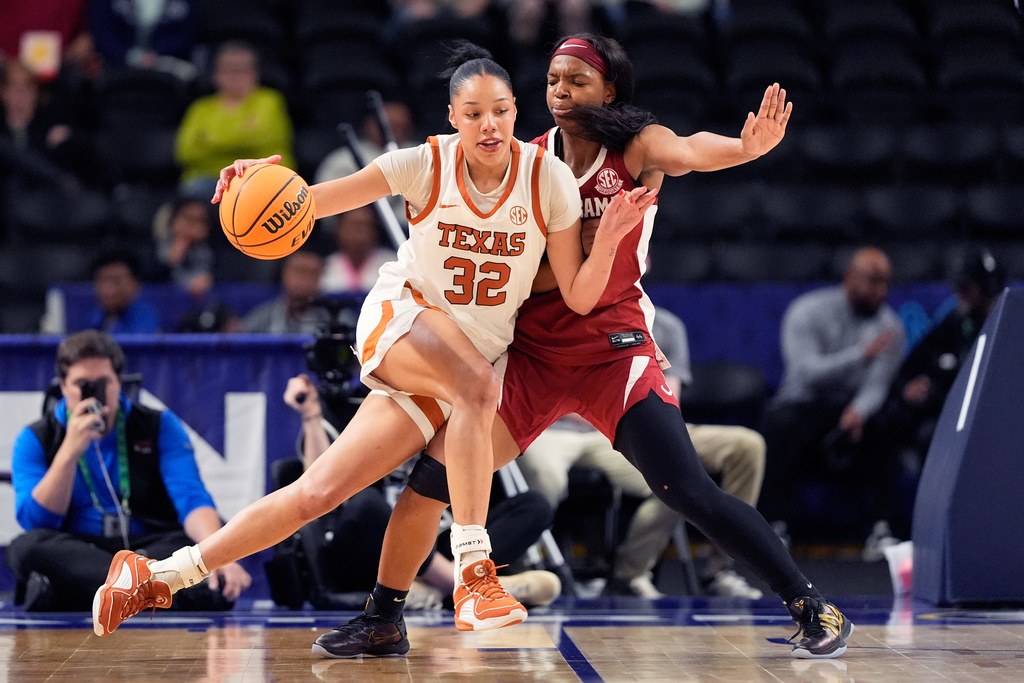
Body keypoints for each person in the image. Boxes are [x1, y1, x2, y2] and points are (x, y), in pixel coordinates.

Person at [320, 34, 852, 661]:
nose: (561, 91)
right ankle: (383, 618)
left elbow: (690, 151)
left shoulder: (637, 146)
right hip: (534, 353)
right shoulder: (531, 160)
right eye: (552, 80)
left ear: (609, 90)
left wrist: (743, 147)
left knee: (683, 487)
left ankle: (810, 603)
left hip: (611, 348)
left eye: (577, 79)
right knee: (429, 485)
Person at [91, 41, 649, 637]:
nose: (489, 125)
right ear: (452, 117)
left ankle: (156, 577)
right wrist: (254, 180)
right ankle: (475, 574)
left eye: (502, 110)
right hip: (406, 320)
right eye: (474, 112)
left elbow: (580, 296)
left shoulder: (550, 178)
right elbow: (308, 202)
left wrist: (611, 237)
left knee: (318, 493)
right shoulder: (421, 164)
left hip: (465, 355)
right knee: (477, 387)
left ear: (516, 111)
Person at [518, 306, 765, 599]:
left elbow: (666, 396)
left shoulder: (664, 324)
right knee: (542, 478)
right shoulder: (551, 310)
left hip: (621, 423)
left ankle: (638, 573)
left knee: (683, 473)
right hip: (552, 427)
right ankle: (523, 572)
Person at [6, 330, 251, 611]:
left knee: (199, 554)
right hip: (81, 547)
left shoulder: (157, 425)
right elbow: (36, 520)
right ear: (62, 386)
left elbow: (192, 498)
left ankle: (83, 594)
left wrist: (218, 555)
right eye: (83, 385)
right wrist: (69, 451)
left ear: (118, 383)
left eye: (103, 383)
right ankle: (147, 591)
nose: (94, 393)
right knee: (26, 548)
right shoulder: (36, 437)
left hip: (147, 543)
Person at [279, 373, 561, 610]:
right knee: (367, 504)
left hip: (435, 536)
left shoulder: (444, 400)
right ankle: (460, 585)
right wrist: (312, 414)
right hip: (370, 543)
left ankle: (437, 586)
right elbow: (316, 481)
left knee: (535, 506)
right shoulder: (356, 404)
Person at [757, 247, 906, 543]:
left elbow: (878, 384)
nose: (881, 291)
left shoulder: (890, 327)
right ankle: (775, 524)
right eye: (873, 281)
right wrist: (860, 355)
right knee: (778, 421)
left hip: (851, 409)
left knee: (888, 420)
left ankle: (880, 527)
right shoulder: (807, 311)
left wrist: (860, 410)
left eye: (885, 282)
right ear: (850, 277)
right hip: (803, 403)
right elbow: (805, 373)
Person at [861, 247, 1007, 549]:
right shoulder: (954, 323)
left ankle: (961, 530)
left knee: (938, 439)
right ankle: (884, 525)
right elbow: (908, 370)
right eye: (957, 287)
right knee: (885, 425)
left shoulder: (1008, 328)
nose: (959, 294)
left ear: (987, 289)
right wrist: (907, 387)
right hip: (943, 414)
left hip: (994, 421)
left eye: (967, 288)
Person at [174, 40, 295, 199]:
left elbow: (269, 138)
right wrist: (242, 138)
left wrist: (211, 140)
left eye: (243, 70)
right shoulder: (200, 108)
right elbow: (185, 152)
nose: (236, 76)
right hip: (208, 180)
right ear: (216, 74)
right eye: (230, 69)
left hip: (259, 176)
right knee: (192, 198)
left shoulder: (269, 100)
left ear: (256, 74)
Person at [240, 249, 331, 334]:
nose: (304, 279)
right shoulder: (261, 318)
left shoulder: (334, 320)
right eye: (299, 271)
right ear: (284, 273)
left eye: (312, 273)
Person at [318, 206, 397, 296]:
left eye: (367, 226)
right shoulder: (325, 266)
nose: (360, 232)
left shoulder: (394, 264)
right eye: (354, 226)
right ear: (338, 228)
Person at [82, 249, 162, 334]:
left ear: (136, 283)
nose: (110, 290)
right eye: (103, 281)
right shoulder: (93, 318)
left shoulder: (145, 317)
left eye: (117, 281)